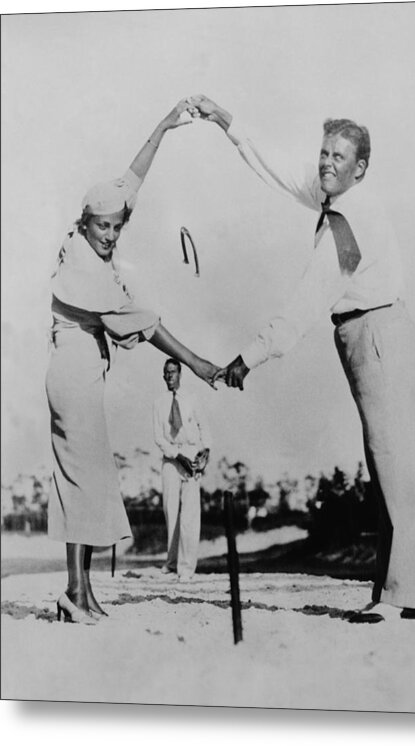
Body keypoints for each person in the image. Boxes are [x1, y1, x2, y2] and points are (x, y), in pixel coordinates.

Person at [188, 94, 415, 623]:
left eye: (338, 157)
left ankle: (403, 597)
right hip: (370, 335)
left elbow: (303, 303)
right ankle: (397, 593)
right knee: (385, 464)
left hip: (378, 335)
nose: (325, 163)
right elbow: (276, 166)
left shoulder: (347, 222)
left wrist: (246, 360)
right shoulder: (331, 195)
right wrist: (226, 119)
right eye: (323, 153)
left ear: (359, 168)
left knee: (393, 468)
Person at [46, 99, 219, 624]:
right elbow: (144, 325)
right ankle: (76, 592)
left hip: (82, 374)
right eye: (104, 228)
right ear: (86, 223)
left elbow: (131, 179)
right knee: (87, 482)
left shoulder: (97, 232)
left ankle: (80, 591)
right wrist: (199, 363)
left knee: (91, 483)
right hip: (72, 376)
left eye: (117, 229)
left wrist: (164, 125)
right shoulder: (85, 268)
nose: (112, 235)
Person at [153, 358, 211, 582]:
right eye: (166, 373)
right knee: (170, 510)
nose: (169, 376)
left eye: (173, 372)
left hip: (191, 454)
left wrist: (205, 451)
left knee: (190, 514)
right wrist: (177, 456)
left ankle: (186, 569)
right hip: (171, 456)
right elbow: (158, 437)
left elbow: (204, 427)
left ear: (180, 374)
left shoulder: (192, 399)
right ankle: (171, 562)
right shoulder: (158, 403)